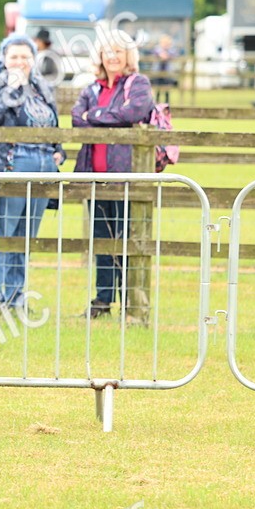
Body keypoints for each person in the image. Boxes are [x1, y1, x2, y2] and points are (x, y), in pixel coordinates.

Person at [0, 35, 65, 311]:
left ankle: (16, 296)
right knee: (2, 231)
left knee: (26, 235)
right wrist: (13, 90)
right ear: (3, 59)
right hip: (11, 163)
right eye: (14, 56)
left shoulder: (42, 86)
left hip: (43, 165)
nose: (20, 62)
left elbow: (53, 124)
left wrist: (58, 151)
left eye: (25, 57)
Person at [71, 37, 155, 320]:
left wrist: (94, 115)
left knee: (127, 238)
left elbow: (134, 111)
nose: (112, 56)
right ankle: (103, 299)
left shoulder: (138, 83)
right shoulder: (92, 88)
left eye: (118, 51)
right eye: (107, 51)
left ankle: (130, 301)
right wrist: (108, 117)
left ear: (129, 55)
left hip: (125, 177)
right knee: (102, 240)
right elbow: (76, 118)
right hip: (95, 178)